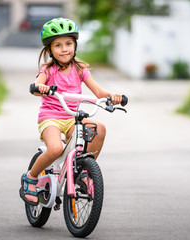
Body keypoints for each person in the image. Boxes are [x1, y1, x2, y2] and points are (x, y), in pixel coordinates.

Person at [19, 18, 123, 205]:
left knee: (98, 129)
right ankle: (31, 177)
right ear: (50, 50)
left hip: (71, 117)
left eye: (68, 43)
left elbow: (98, 92)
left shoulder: (80, 68)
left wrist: (113, 96)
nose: (64, 49)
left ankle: (83, 172)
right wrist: (40, 87)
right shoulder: (48, 69)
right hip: (50, 118)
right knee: (56, 149)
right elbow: (38, 85)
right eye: (58, 45)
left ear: (75, 45)